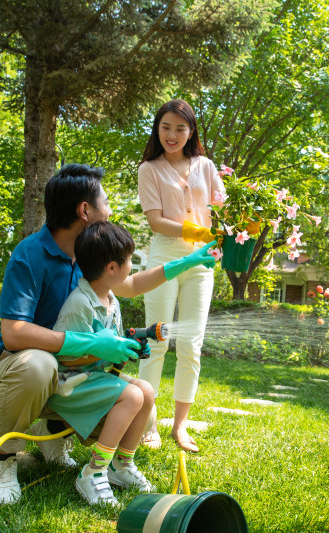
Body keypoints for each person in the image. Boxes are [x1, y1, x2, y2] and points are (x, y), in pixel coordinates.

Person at [0, 163, 216, 505]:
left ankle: (57, 435)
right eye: (106, 200)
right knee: (39, 365)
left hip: (69, 374)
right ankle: (4, 459)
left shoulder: (90, 255)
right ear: (85, 210)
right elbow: (14, 334)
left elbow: (129, 283)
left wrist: (186, 262)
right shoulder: (29, 255)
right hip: (11, 372)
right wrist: (92, 343)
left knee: (142, 400)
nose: (111, 208)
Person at [137, 99, 225, 453]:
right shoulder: (149, 169)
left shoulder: (205, 165)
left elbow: (224, 207)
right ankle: (146, 422)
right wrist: (195, 230)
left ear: (191, 132)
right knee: (156, 341)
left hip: (201, 264)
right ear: (157, 129)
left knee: (191, 344)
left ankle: (180, 425)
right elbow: (156, 221)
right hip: (164, 258)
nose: (172, 135)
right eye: (165, 127)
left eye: (180, 128)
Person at [50, 221, 155, 507]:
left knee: (145, 390)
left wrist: (126, 350)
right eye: (130, 260)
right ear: (111, 268)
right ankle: (93, 471)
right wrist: (105, 354)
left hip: (94, 378)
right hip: (70, 383)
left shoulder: (111, 301)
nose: (132, 265)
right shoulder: (80, 303)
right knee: (132, 395)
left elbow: (112, 344)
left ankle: (120, 466)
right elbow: (65, 357)